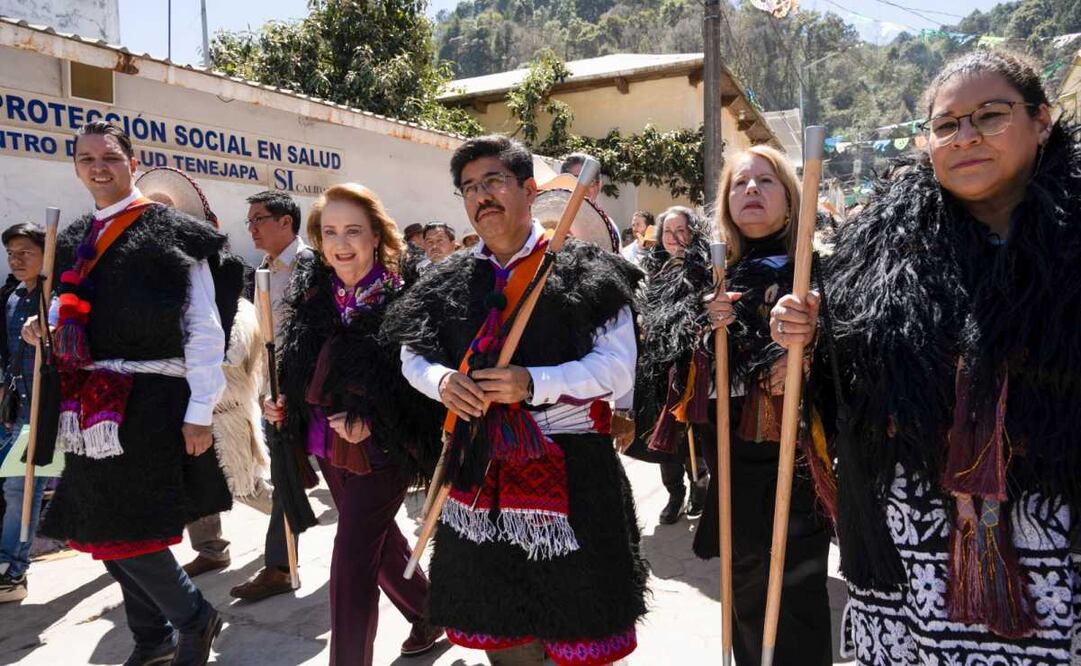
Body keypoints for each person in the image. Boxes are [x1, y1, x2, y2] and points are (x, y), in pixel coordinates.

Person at [771, 50, 1081, 664]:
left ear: (1042, 120)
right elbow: (853, 390)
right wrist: (810, 330)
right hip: (916, 530)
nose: (965, 137)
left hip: (1060, 522)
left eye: (990, 116)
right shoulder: (879, 255)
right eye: (946, 125)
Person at [383, 135, 648, 666]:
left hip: (573, 467)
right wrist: (440, 382)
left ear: (529, 190)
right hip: (479, 470)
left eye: (493, 181)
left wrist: (533, 382)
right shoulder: (450, 278)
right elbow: (411, 352)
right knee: (504, 637)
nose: (481, 196)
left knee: (579, 630)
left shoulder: (586, 270)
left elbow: (618, 368)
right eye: (469, 188)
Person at [26, 120, 233, 666]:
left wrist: (200, 411)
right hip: (86, 405)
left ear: (133, 163)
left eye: (111, 157)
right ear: (75, 167)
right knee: (100, 526)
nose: (99, 167)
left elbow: (205, 328)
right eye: (87, 158)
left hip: (149, 399)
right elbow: (63, 306)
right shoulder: (71, 237)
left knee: (131, 529)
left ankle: (194, 618)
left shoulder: (172, 230)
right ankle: (152, 637)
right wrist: (40, 326)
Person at [263, 183, 444, 664]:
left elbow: (422, 383)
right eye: (329, 232)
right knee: (380, 543)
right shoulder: (316, 295)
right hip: (327, 447)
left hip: (386, 450)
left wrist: (374, 417)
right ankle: (430, 609)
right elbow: (303, 372)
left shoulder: (407, 297)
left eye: (353, 231)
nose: (341, 243)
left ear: (378, 236)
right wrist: (284, 405)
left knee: (350, 562)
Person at [697, 146, 832, 665]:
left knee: (796, 587)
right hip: (732, 455)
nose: (751, 190)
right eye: (739, 183)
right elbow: (668, 372)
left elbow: (857, 350)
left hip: (798, 459)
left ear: (791, 199)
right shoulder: (706, 276)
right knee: (746, 580)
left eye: (766, 181)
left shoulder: (820, 270)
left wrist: (815, 335)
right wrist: (701, 328)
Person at [135, 167, 275, 578]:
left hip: (218, 383)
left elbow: (229, 323)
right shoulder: (147, 266)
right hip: (172, 386)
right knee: (193, 478)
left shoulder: (216, 262)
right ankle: (211, 548)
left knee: (239, 475)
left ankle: (290, 518)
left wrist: (213, 379)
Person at [231, 189, 315, 602]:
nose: (252, 228)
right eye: (249, 221)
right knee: (284, 474)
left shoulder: (312, 266)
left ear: (287, 222)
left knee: (338, 483)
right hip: (273, 392)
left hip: (308, 392)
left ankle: (282, 565)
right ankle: (281, 566)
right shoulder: (259, 270)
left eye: (259, 219)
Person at [623, 208, 710, 525]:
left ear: (693, 232)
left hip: (693, 364)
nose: (674, 238)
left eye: (681, 230)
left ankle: (699, 486)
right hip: (658, 364)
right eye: (668, 231)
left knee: (693, 433)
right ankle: (674, 494)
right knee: (663, 435)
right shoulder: (651, 271)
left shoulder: (705, 269)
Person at [0, 223, 50, 603]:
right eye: (11, 254)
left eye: (25, 253)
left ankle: (12, 572)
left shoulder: (57, 298)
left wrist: (51, 330)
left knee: (22, 488)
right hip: (16, 408)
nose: (16, 260)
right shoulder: (13, 297)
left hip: (47, 408)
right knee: (13, 488)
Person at [560, 153, 621, 252]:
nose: (583, 188)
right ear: (562, 182)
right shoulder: (545, 219)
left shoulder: (609, 228)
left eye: (590, 181)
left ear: (599, 185)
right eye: (577, 180)